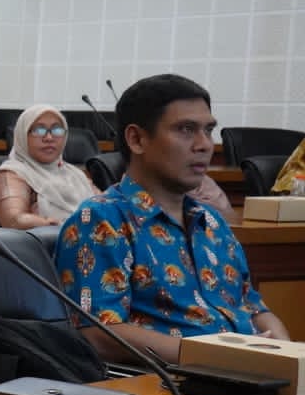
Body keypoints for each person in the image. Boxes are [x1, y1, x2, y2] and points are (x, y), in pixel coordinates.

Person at [54, 74, 287, 366]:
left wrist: (284, 351)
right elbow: (98, 333)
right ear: (137, 139)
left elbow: (253, 306)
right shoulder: (102, 220)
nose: (205, 145)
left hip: (245, 371)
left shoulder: (212, 222)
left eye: (208, 130)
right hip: (171, 380)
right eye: (186, 130)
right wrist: (218, 358)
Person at [0, 106, 98, 230]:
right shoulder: (12, 174)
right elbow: (13, 220)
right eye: (39, 130)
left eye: (57, 130)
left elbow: (104, 204)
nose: (49, 138)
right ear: (23, 135)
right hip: (49, 241)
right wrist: (54, 224)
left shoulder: (75, 174)